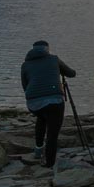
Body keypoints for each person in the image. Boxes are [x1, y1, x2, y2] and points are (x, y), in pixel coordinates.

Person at [20, 40, 76, 168]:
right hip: (54, 101)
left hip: (33, 103)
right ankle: (49, 163)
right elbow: (71, 73)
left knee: (42, 117)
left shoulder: (25, 64)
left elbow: (25, 86)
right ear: (47, 49)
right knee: (52, 133)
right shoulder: (54, 59)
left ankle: (38, 151)